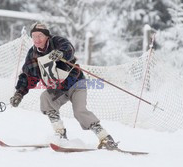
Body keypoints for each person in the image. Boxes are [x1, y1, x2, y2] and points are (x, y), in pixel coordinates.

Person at [10, 22, 118, 150]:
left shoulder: (56, 42)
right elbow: (28, 76)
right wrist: (19, 93)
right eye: (34, 36)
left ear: (47, 36)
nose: (37, 39)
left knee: (79, 111)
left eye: (40, 36)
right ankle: (60, 134)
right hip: (58, 89)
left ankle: (105, 138)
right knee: (45, 98)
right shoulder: (32, 54)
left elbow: (68, 48)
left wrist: (60, 53)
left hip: (76, 83)